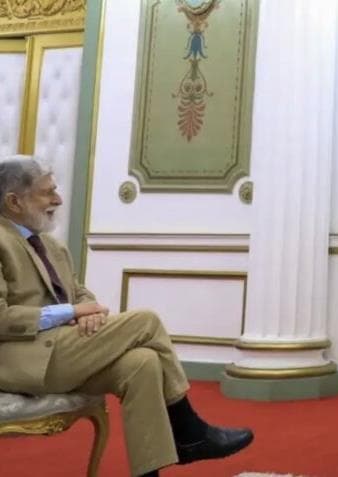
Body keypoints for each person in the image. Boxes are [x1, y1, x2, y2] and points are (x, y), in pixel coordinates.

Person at [0, 155, 253, 477]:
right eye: (47, 192)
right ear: (14, 201)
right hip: (20, 360)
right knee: (145, 321)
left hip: (61, 351)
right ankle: (189, 431)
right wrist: (72, 311)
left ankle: (152, 471)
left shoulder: (51, 245)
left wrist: (87, 312)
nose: (58, 200)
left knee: (142, 363)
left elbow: (79, 293)